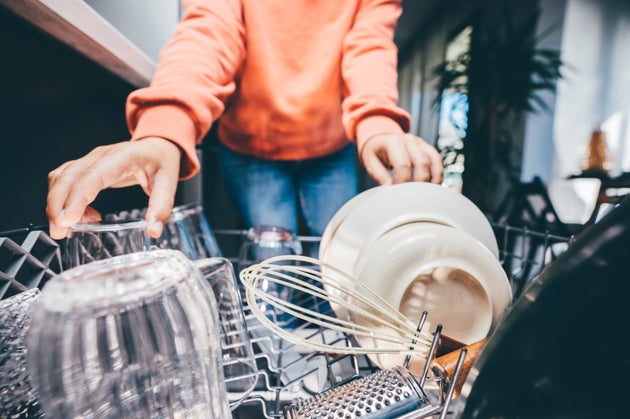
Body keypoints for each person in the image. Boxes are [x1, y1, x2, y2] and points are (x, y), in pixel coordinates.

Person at [46, 0, 443, 241]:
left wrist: (378, 121)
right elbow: (210, 35)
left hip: (330, 145)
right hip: (253, 147)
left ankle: (334, 366)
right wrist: (165, 129)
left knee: (337, 259)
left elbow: (369, 46)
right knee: (275, 263)